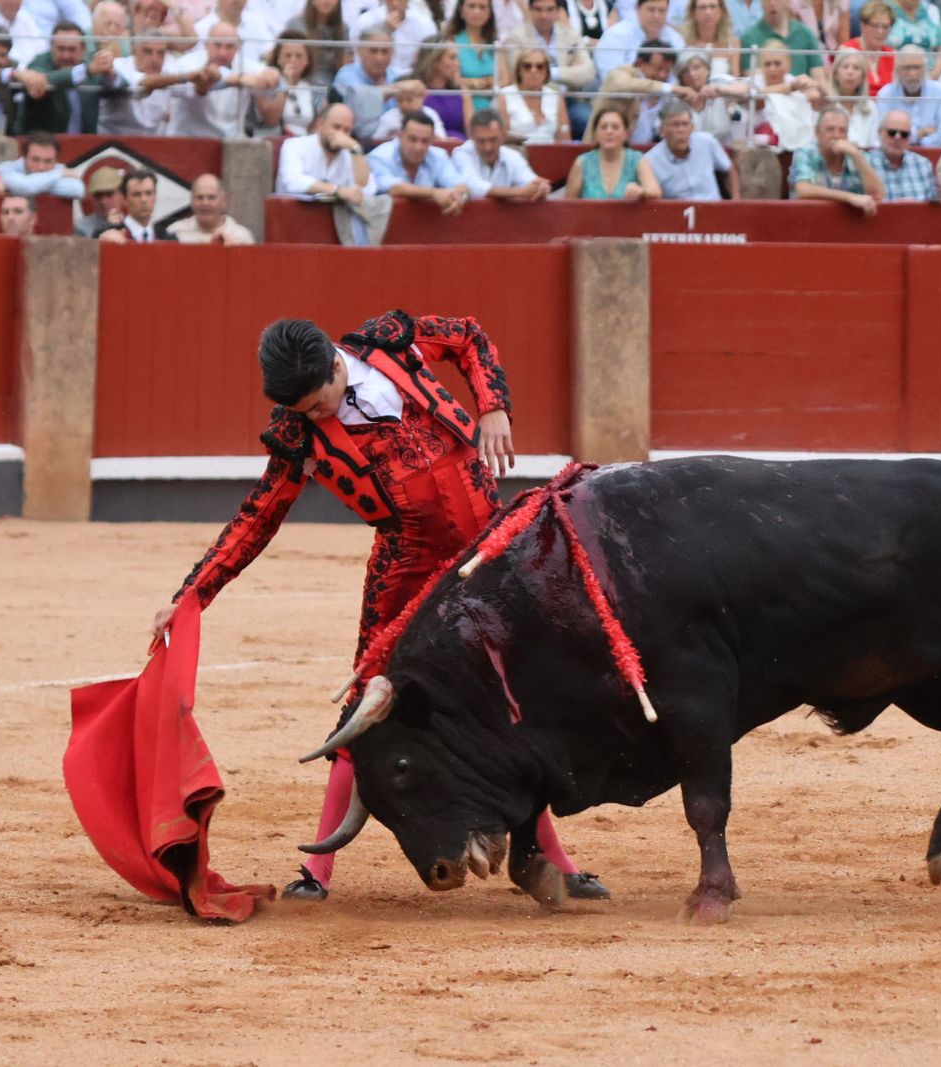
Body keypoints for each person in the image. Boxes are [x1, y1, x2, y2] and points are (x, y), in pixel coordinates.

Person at [148, 312, 611, 904]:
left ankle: (554, 862)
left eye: (319, 403)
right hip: (407, 566)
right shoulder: (298, 435)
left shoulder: (392, 344)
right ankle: (317, 872)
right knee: (365, 706)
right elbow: (256, 519)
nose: (315, 416)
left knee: (510, 699)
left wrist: (493, 405)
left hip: (488, 551)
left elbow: (469, 337)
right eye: (305, 411)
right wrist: (190, 597)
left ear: (338, 366)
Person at [160, 21, 281, 138]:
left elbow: (272, 76)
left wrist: (271, 75)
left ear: (237, 48)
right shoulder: (188, 62)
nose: (223, 53)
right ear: (206, 45)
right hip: (188, 141)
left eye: (229, 47)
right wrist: (238, 79)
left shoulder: (244, 64)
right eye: (217, 45)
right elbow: (167, 81)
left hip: (229, 144)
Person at [502, 0, 594, 132]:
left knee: (590, 120)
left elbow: (588, 73)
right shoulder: (516, 37)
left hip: (569, 100)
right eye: (538, 9)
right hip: (531, 101)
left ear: (558, 11)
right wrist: (570, 72)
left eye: (549, 10)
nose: (544, 15)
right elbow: (520, 76)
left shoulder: (571, 35)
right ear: (530, 10)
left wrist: (552, 73)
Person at [16, 21, 125, 134]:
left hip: (86, 144)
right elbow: (44, 79)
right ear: (51, 47)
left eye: (71, 50)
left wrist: (111, 75)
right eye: (61, 49)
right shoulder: (39, 63)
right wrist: (87, 70)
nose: (66, 56)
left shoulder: (91, 66)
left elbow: (122, 86)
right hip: (43, 145)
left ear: (83, 50)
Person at [368, 111, 471, 213]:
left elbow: (460, 184)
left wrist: (458, 196)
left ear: (432, 140)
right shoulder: (380, 156)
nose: (418, 147)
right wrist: (433, 193)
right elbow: (394, 188)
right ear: (400, 136)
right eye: (413, 139)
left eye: (425, 141)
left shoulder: (438, 155)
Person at [789, 104, 884, 212]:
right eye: (830, 129)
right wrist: (849, 197)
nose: (836, 135)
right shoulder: (805, 153)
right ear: (817, 132)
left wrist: (856, 155)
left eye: (842, 130)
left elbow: (877, 195)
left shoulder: (857, 156)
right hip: (808, 220)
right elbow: (804, 190)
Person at [587, 40, 685, 142]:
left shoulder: (669, 88)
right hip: (608, 151)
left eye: (667, 70)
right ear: (640, 63)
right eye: (659, 69)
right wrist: (667, 88)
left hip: (651, 152)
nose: (663, 75)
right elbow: (623, 84)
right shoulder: (619, 74)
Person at [645, 97, 737, 198]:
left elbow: (729, 168)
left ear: (692, 127)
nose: (681, 130)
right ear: (661, 130)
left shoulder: (707, 142)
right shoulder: (651, 160)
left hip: (713, 208)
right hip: (678, 211)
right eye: (675, 125)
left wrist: (736, 199)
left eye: (685, 124)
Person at [453, 107, 553, 196]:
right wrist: (519, 192)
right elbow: (472, 186)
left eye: (493, 140)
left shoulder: (512, 156)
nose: (487, 147)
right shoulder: (461, 153)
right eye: (481, 141)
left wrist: (539, 187)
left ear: (503, 136)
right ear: (472, 137)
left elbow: (529, 180)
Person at [565, 105, 662, 196]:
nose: (609, 132)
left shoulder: (636, 159)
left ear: (626, 134)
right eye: (603, 127)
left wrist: (641, 191)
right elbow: (568, 204)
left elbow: (655, 191)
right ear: (595, 134)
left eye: (615, 127)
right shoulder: (582, 163)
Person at [334, 23, 404, 139]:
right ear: (360, 51)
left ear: (392, 53)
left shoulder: (397, 77)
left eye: (385, 51)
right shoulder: (346, 74)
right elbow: (359, 102)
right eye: (373, 51)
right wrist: (399, 89)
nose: (379, 58)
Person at [875, 43, 941, 145]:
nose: (912, 73)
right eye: (907, 68)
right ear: (897, 71)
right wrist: (921, 133)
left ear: (925, 69)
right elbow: (883, 135)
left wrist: (911, 139)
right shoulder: (885, 95)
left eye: (917, 67)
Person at [101, 29, 172, 134]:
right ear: (134, 50)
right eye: (147, 51)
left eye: (160, 53)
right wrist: (182, 78)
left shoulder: (169, 73)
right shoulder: (117, 67)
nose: (154, 59)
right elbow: (145, 82)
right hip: (113, 142)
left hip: (152, 144)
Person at [496, 45, 572, 141]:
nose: (533, 70)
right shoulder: (504, 96)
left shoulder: (555, 97)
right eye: (527, 66)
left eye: (540, 67)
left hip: (549, 153)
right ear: (519, 70)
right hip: (517, 152)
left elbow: (565, 139)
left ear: (546, 72)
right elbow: (501, 138)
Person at [597, 0, 686, 77]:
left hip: (665, 96)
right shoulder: (615, 36)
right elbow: (611, 79)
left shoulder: (674, 37)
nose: (656, 16)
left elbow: (682, 72)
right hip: (623, 95)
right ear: (637, 8)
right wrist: (663, 88)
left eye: (662, 11)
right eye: (651, 10)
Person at [866, 107, 936, 198]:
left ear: (910, 138)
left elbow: (932, 208)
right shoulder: (864, 163)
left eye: (904, 134)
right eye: (892, 132)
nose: (897, 138)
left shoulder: (923, 165)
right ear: (880, 132)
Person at [0, 130, 85, 198]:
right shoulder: (4, 169)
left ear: (56, 161)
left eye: (48, 161)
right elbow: (25, 187)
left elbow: (77, 189)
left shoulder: (59, 168)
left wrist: (36, 185)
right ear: (24, 157)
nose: (41, 167)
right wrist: (58, 174)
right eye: (35, 160)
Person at [167, 174, 256, 243]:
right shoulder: (175, 232)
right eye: (199, 197)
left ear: (223, 201)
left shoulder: (242, 237)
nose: (205, 203)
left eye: (211, 197)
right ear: (192, 201)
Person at [740, 0, 822, 75]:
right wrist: (791, 86)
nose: (772, 3)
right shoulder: (749, 38)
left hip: (803, 89)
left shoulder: (806, 34)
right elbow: (753, 81)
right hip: (767, 91)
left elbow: (819, 77)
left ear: (788, 2)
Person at [99, 167, 178, 241]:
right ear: (125, 199)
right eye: (136, 194)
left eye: (148, 193)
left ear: (155, 196)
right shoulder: (106, 237)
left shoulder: (168, 239)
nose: (143, 200)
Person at [412, 36, 468, 136]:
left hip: (460, 146)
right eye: (452, 57)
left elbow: (471, 131)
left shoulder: (461, 91)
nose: (458, 63)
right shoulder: (414, 89)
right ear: (434, 61)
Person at [446, 0, 497, 109]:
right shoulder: (451, 42)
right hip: (463, 107)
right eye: (471, 6)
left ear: (489, 12)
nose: (476, 12)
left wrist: (471, 84)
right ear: (461, 10)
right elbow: (454, 81)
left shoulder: (495, 44)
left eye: (482, 7)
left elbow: (504, 81)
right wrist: (485, 81)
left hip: (494, 109)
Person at [286, 0, 349, 83]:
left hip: (334, 87)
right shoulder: (296, 25)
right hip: (304, 84)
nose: (327, 1)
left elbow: (345, 65)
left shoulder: (343, 29)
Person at [840, 1, 895, 93]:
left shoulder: (892, 55)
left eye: (885, 27)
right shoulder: (847, 50)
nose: (880, 31)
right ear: (862, 25)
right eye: (875, 25)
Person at [885, 0, 941, 81]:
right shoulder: (885, 8)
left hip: (931, 72)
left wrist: (933, 76)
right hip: (894, 72)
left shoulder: (931, 10)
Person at [829, 48, 878, 146]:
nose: (850, 72)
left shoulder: (870, 106)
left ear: (862, 77)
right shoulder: (826, 105)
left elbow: (875, 144)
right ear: (835, 74)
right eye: (845, 67)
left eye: (856, 68)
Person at [680, 0, 741, 77]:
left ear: (722, 10)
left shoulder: (733, 42)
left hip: (723, 88)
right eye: (702, 7)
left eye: (713, 6)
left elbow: (736, 79)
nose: (708, 12)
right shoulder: (682, 41)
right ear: (693, 12)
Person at [76, 165, 126, 236]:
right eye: (98, 195)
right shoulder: (80, 228)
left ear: (121, 195)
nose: (103, 201)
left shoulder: (133, 225)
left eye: (109, 194)